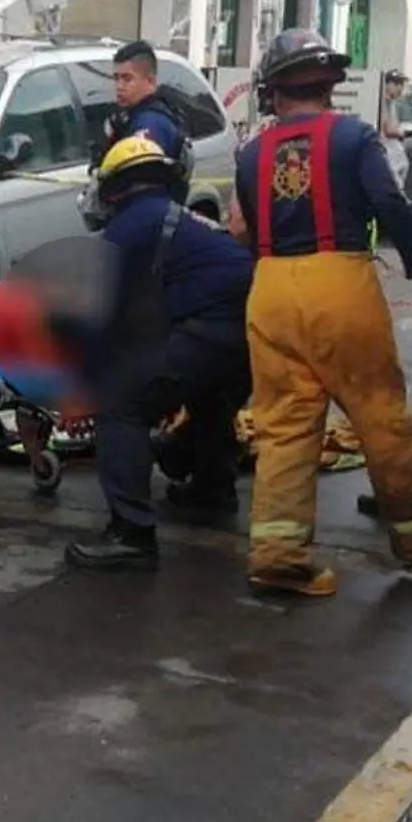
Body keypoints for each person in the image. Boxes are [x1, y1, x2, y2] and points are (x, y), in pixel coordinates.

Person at [227, 29, 412, 595]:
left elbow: (246, 228)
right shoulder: (353, 137)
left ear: (272, 93)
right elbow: (389, 205)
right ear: (330, 84)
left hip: (271, 287)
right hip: (339, 285)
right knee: (378, 411)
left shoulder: (252, 152)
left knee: (283, 425)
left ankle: (279, 554)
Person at [64, 137, 254, 572]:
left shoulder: (129, 226)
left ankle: (132, 533)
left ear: (114, 187)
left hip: (212, 326)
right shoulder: (176, 218)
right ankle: (211, 488)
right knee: (209, 394)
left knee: (123, 403)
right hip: (247, 327)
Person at [91, 41, 191, 201]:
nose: (119, 86)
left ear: (150, 81)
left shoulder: (150, 124)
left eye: (127, 79)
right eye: (116, 78)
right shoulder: (132, 116)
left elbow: (137, 188)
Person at [379, 69, 412, 190]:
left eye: (402, 85)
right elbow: (388, 130)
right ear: (388, 84)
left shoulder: (391, 103)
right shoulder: (384, 102)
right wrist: (401, 132)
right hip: (387, 150)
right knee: (394, 184)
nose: (401, 89)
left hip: (391, 149)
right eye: (397, 84)